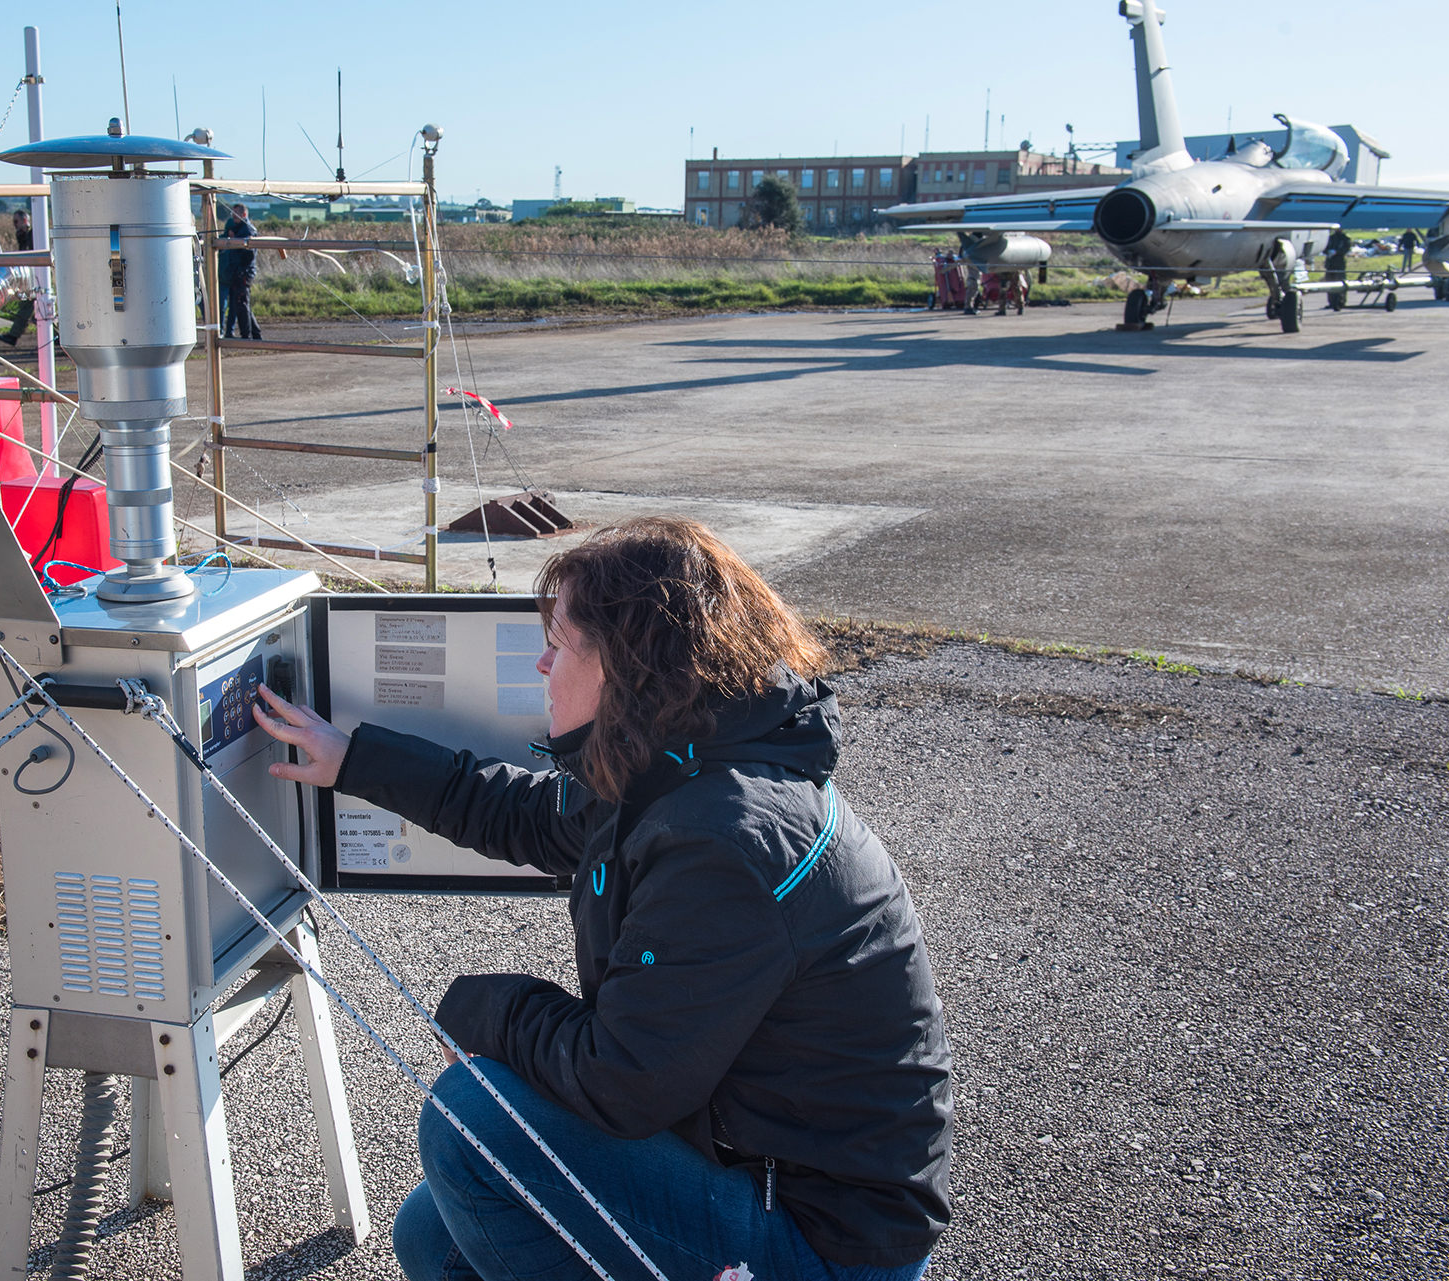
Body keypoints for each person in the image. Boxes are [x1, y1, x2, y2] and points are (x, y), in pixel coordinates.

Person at [252, 517, 952, 1281]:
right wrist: (351, 758)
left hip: (824, 1239)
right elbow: (523, 815)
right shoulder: (681, 759)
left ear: (624, 663)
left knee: (475, 1117)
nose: (543, 662)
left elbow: (621, 1079)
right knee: (434, 1233)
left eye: (559, 642)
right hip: (747, 1156)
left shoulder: (721, 838)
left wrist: (489, 1013)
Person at [221, 202, 261, 339]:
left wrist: (234, 240)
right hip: (237, 272)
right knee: (241, 304)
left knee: (242, 305)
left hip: (243, 273)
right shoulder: (238, 228)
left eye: (236, 214)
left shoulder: (248, 230)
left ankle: (247, 336)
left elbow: (248, 254)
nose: (233, 217)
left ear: (244, 214)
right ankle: (255, 334)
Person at [3, 208, 35, 347]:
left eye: (16, 221)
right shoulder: (25, 236)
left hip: (35, 276)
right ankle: (57, 336)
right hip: (31, 276)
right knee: (40, 311)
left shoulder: (34, 235)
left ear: (24, 220)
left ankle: (13, 336)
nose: (15, 225)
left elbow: (29, 254)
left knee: (28, 304)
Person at [1323, 227, 1352, 311]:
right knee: (1329, 282)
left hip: (1339, 263)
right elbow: (1324, 248)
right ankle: (1331, 302)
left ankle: (1341, 301)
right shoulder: (1330, 238)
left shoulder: (1346, 239)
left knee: (1340, 282)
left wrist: (1337, 252)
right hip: (1330, 264)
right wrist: (1328, 251)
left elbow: (1346, 249)